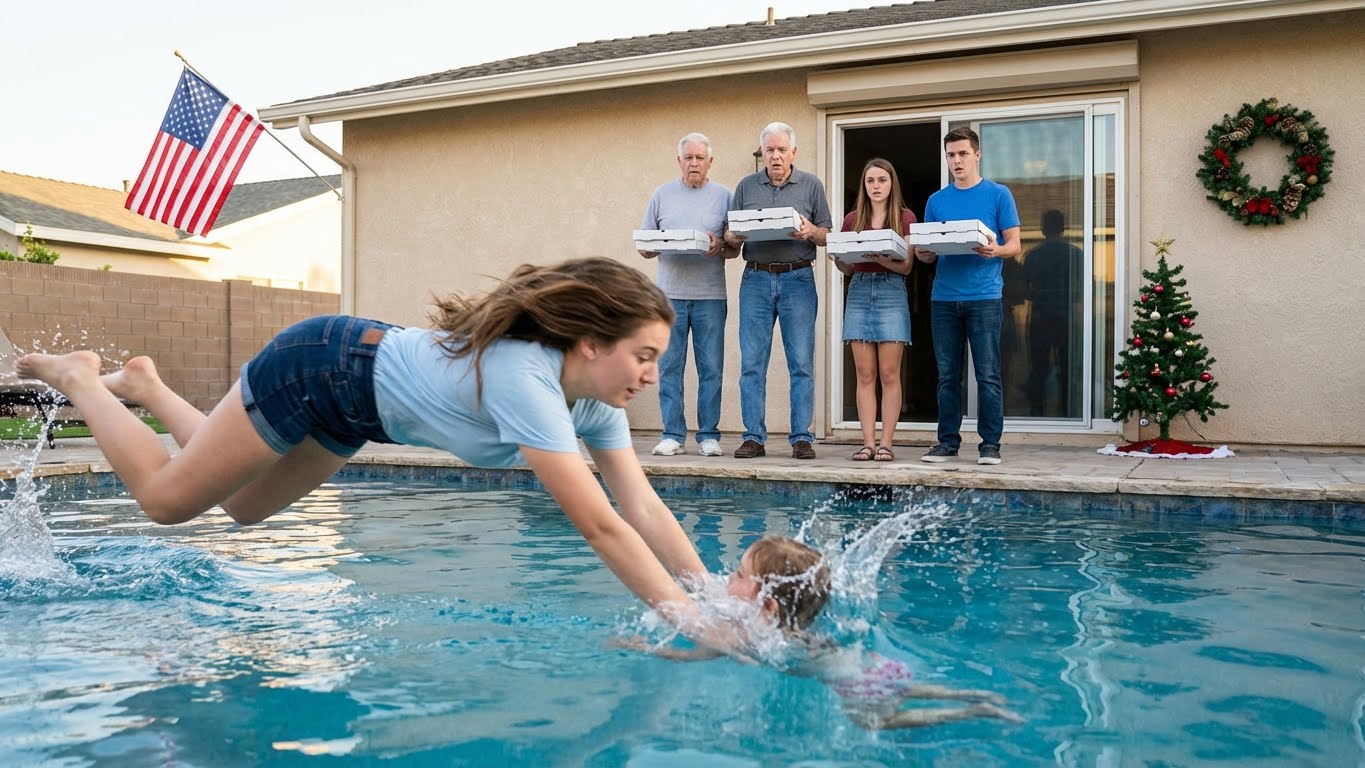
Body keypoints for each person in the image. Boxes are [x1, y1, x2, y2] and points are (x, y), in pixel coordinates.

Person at [16, 258, 723, 641]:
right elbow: (601, 522)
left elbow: (644, 508)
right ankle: (85, 380)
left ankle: (145, 384)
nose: (651, 375)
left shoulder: (592, 405)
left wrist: (715, 598)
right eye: (644, 355)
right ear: (591, 344)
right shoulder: (524, 376)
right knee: (169, 501)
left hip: (357, 409)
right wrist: (687, 622)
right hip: (319, 365)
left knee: (240, 506)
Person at [618, 535, 1022, 730]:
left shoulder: (745, 636)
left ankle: (972, 709)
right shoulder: (791, 629)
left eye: (740, 574)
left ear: (768, 605)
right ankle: (968, 694)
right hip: (872, 666)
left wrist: (649, 649)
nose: (729, 576)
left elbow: (694, 655)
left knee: (883, 722)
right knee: (904, 692)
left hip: (853, 689)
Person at [724, 121, 833, 461]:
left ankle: (801, 437)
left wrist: (810, 231)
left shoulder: (811, 185)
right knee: (752, 364)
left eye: (781, 150)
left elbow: (827, 234)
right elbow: (730, 236)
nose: (775, 156)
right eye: (769, 150)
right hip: (755, 278)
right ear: (763, 154)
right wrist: (734, 236)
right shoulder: (745, 187)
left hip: (798, 278)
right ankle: (753, 437)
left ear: (793, 153)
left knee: (801, 362)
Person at [913, 127, 1021, 466]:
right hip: (943, 298)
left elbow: (1014, 245)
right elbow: (926, 252)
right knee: (948, 375)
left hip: (985, 297)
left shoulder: (998, 194)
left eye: (962, 154)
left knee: (988, 374)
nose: (956, 160)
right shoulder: (936, 200)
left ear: (977, 154)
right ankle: (947, 443)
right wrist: (925, 254)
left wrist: (996, 250)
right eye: (951, 155)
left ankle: (990, 445)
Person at [638, 132, 736, 459]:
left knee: (711, 368)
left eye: (700, 158)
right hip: (669, 298)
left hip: (710, 296)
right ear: (679, 161)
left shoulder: (725, 196)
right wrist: (653, 246)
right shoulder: (661, 194)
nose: (694, 163)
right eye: (688, 158)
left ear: (710, 162)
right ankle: (672, 434)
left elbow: (735, 248)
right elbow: (644, 245)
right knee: (669, 367)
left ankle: (708, 435)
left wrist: (719, 245)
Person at [830, 158, 917, 463]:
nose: (876, 186)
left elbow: (906, 266)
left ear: (892, 183)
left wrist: (882, 261)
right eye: (870, 181)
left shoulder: (905, 217)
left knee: (889, 373)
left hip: (892, 291)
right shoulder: (852, 219)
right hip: (859, 291)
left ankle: (886, 443)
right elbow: (847, 267)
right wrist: (839, 259)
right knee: (864, 374)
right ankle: (867, 443)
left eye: (882, 180)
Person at [1021, 209, 1084, 418]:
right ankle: (1068, 413)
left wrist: (1040, 295)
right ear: (1063, 229)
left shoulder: (1033, 256)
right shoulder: (1076, 254)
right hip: (1066, 317)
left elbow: (1024, 291)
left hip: (1040, 318)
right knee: (1067, 369)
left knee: (1038, 368)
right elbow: (1084, 291)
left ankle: (1036, 412)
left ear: (1043, 229)